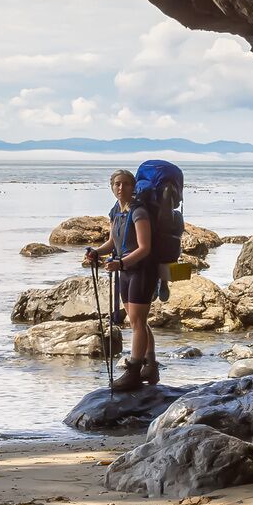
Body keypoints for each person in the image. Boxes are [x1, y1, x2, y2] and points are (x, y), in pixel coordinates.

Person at [89, 167, 178, 391]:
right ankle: (150, 365)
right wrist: (96, 252)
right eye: (117, 184)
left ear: (133, 187)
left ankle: (134, 371)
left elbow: (145, 248)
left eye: (126, 184)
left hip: (142, 270)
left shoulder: (138, 212)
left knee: (136, 322)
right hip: (126, 271)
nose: (121, 188)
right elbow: (113, 243)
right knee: (137, 320)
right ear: (111, 187)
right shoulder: (115, 211)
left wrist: (121, 263)